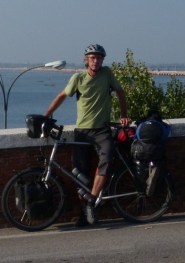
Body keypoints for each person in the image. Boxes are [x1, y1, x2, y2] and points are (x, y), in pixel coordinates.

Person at [44, 44, 130, 225]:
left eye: (99, 58)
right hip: (82, 131)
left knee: (106, 159)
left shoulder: (107, 74)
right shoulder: (78, 78)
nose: (96, 61)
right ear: (86, 60)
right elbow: (61, 96)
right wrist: (46, 116)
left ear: (102, 60)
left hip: (102, 130)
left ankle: (91, 201)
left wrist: (123, 116)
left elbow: (120, 92)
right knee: (78, 172)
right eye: (92, 58)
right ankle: (84, 213)